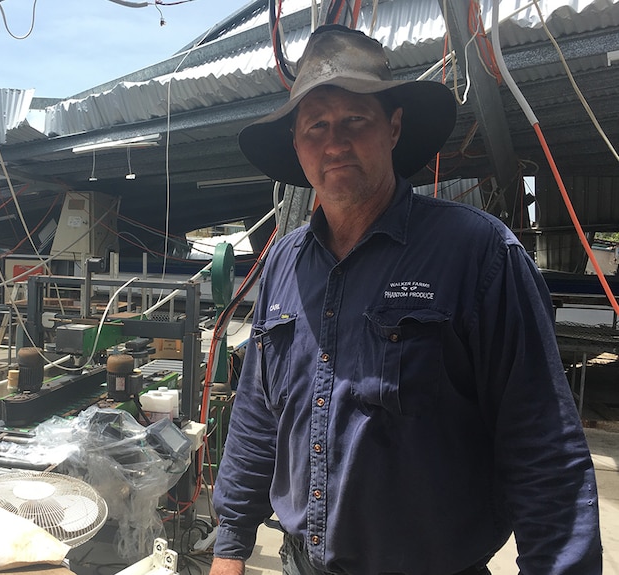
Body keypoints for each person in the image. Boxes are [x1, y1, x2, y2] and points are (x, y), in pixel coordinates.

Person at [211, 25, 601, 575]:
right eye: (316, 126)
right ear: (297, 147)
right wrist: (230, 547)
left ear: (393, 128)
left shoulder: (478, 252)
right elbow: (258, 414)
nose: (334, 142)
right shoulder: (284, 262)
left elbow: (542, 442)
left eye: (354, 121)